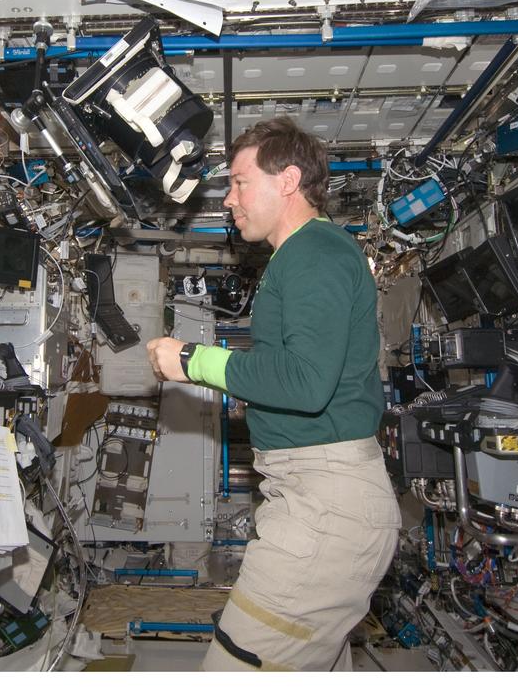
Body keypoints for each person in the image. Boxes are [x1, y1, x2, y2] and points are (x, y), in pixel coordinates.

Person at [146, 117, 399, 671]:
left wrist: (192, 360)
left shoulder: (315, 251)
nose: (228, 199)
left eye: (238, 182)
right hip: (317, 497)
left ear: (287, 180)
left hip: (325, 506)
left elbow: (306, 384)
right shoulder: (303, 256)